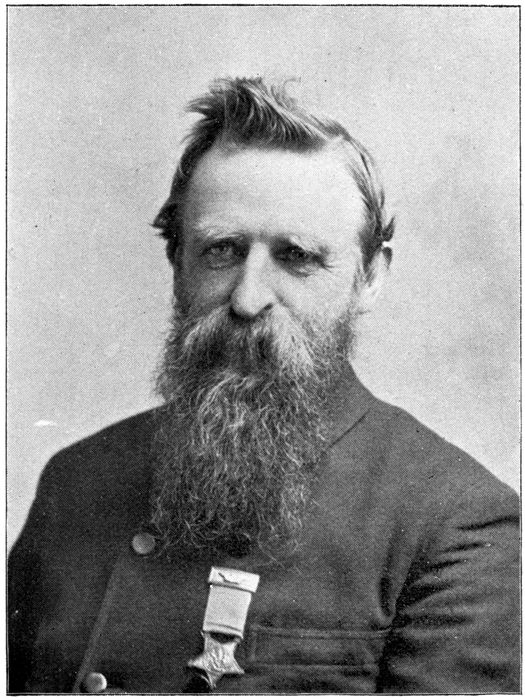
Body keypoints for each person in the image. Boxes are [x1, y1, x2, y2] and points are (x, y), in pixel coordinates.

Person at [8, 77, 519, 694]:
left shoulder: (457, 526)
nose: (248, 299)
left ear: (370, 278)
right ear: (177, 261)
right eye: (222, 250)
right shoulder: (76, 481)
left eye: (297, 256)